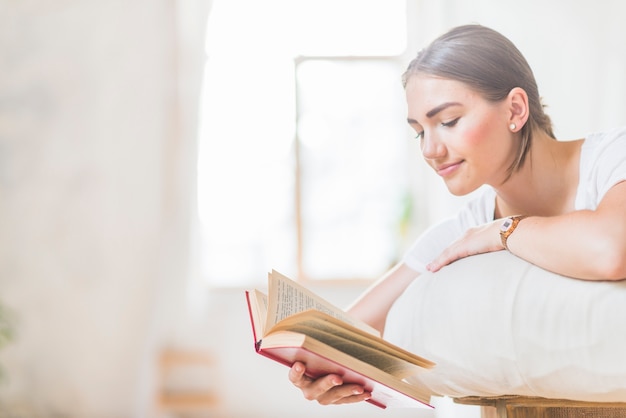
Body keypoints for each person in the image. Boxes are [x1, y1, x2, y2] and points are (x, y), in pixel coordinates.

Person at [287, 24, 626, 406]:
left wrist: (504, 232)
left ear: (515, 109)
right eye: (419, 132)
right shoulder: (463, 230)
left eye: (448, 122)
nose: (430, 149)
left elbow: (610, 251)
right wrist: (318, 370)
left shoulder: (613, 158)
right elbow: (341, 337)